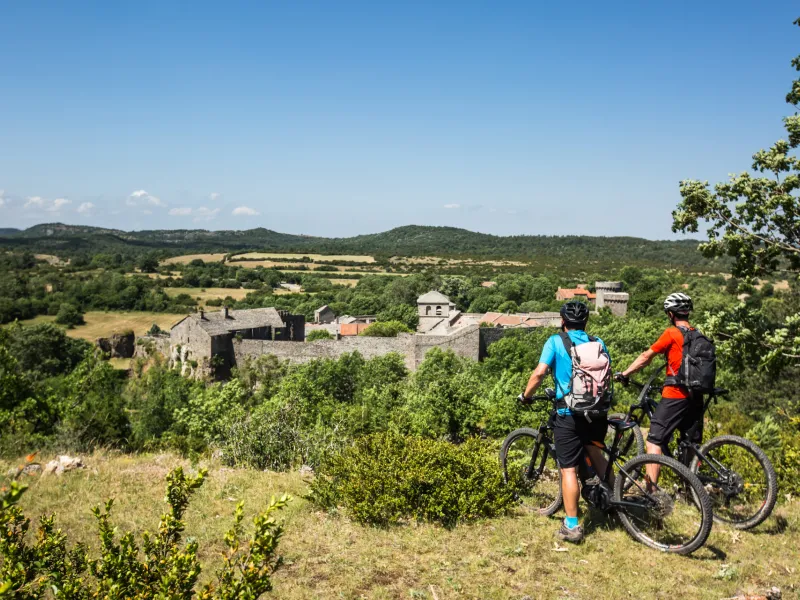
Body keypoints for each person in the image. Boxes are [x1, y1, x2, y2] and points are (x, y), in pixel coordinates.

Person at [518, 301, 611, 544]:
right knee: (597, 456)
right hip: (597, 413)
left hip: (569, 415)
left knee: (568, 469)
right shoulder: (597, 342)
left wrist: (526, 396)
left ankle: (571, 526)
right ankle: (614, 503)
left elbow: (539, 373)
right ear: (586, 322)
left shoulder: (555, 341)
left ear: (563, 321)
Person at [615, 292, 703, 483]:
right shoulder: (698, 334)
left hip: (675, 393)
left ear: (671, 314)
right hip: (697, 395)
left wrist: (625, 373)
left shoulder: (671, 333)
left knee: (654, 440)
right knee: (691, 443)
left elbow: (646, 357)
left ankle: (651, 491)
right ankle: (692, 490)